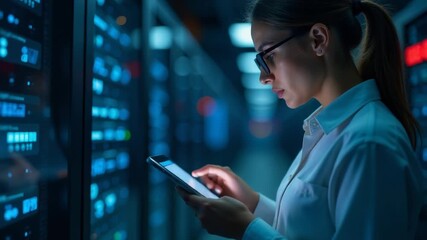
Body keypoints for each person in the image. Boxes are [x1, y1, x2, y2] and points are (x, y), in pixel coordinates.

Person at [177, 0, 426, 239]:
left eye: (268, 56)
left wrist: (247, 230)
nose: (263, 78)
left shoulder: (368, 143)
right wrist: (251, 202)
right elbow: (312, 228)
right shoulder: (326, 130)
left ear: (318, 40)